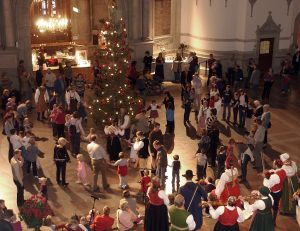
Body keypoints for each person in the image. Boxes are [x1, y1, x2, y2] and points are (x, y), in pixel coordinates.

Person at [263, 159, 286, 225]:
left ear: (276, 165)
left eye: (273, 163)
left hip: (273, 193)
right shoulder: (283, 171)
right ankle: (273, 221)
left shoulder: (274, 176)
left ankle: (269, 220)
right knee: (275, 206)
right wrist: (269, 172)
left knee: (269, 206)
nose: (272, 164)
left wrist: (265, 176)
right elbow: (274, 171)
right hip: (279, 191)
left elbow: (267, 185)